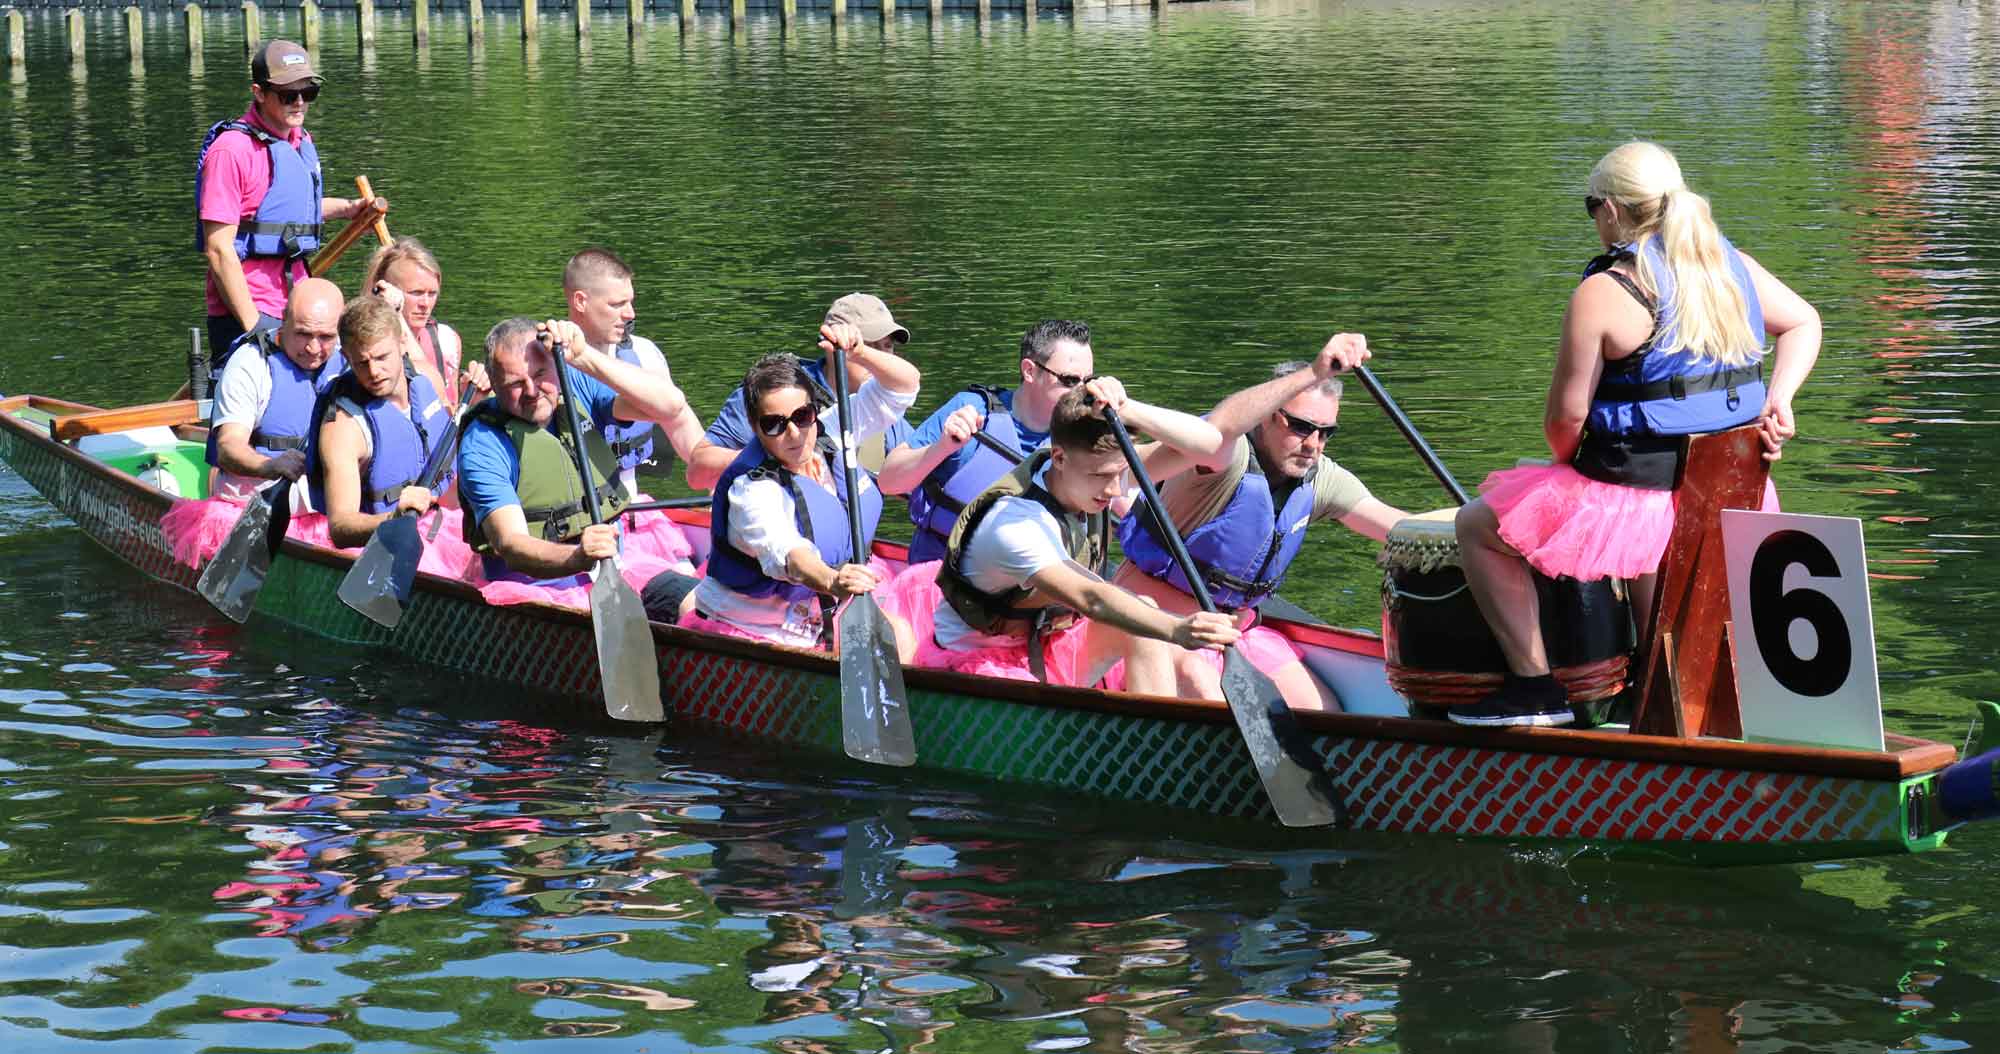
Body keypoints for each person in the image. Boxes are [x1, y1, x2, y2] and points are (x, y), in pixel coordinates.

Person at [1452, 140, 1821, 727]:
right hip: (1738, 492)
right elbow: (1804, 321)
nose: (1593, 219)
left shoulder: (1606, 291)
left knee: (1476, 526)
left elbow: (1564, 423)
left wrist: (1567, 464)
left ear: (1615, 211)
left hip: (1638, 495)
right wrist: (1780, 400)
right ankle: (1663, 700)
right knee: (1664, 605)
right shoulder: (1730, 269)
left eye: (1591, 206)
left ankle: (1535, 688)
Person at [880, 382, 1241, 695]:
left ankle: (1161, 743)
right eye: (1103, 477)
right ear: (1059, 458)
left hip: (1048, 642)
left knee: (1144, 612)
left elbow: (1214, 449)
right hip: (976, 661)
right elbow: (1092, 599)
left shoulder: (1091, 471)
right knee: (1150, 618)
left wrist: (1130, 408)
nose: (1116, 490)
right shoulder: (1014, 525)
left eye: (1122, 474)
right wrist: (1177, 628)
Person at [1112, 335, 1406, 712]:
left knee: (1322, 709)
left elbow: (1397, 526)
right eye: (1300, 427)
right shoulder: (1223, 456)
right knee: (1207, 692)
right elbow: (1221, 425)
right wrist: (1314, 372)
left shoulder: (1320, 479)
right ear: (1267, 416)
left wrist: (1489, 523)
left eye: (1326, 433)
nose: (1313, 444)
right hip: (1156, 616)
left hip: (1235, 627)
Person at [683, 325, 922, 652]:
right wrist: (833, 581)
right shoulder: (752, 491)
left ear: (814, 411)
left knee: (900, 634)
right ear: (755, 427)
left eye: (802, 415)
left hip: (819, 615)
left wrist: (860, 352)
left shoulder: (831, 433)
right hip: (754, 630)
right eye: (774, 424)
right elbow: (789, 554)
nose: (794, 433)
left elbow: (903, 387)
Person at [456, 318, 700, 586]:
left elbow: (671, 405)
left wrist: (583, 356)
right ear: (494, 383)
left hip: (615, 565)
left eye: (540, 374)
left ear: (554, 365)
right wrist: (578, 557)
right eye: (515, 383)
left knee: (689, 602)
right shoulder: (482, 444)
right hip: (537, 587)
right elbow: (511, 545)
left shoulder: (576, 386)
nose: (531, 391)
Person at [197, 40, 387, 368]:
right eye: (289, 94)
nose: (300, 102)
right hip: (249, 312)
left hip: (297, 306)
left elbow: (285, 215)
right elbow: (218, 249)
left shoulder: (299, 140)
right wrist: (254, 325)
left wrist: (347, 209)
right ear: (259, 92)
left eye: (308, 92)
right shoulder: (231, 152)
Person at [876, 319, 1094, 566]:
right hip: (942, 571)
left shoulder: (1083, 431)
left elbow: (1123, 496)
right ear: (1029, 371)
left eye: (1088, 381)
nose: (1081, 392)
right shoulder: (972, 409)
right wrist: (943, 447)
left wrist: (1124, 411)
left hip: (1032, 582)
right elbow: (888, 482)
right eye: (1069, 380)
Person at [685, 293, 912, 492]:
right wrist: (780, 456)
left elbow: (908, 386)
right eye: (868, 346)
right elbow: (698, 471)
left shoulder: (881, 408)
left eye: (888, 347)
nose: (884, 360)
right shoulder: (776, 392)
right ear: (833, 346)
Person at [308, 296, 454, 551]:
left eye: (382, 357)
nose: (374, 371)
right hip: (382, 545)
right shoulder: (343, 428)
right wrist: (393, 519)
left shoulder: (428, 380)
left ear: (402, 344)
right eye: (362, 363)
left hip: (443, 528)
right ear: (346, 357)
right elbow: (341, 528)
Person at [562, 248, 703, 499]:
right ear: (580, 301)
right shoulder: (543, 359)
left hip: (631, 507)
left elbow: (685, 430)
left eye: (630, 302)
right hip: (571, 512)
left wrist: (722, 484)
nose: (630, 314)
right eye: (617, 304)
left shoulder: (644, 352)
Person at [206, 277, 348, 507]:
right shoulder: (250, 363)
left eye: (325, 337)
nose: (313, 348)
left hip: (329, 507)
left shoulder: (352, 358)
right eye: (302, 334)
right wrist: (268, 466)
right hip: (258, 504)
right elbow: (229, 446)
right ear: (284, 319)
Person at [359, 238, 485, 410]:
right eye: (416, 293)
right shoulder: (365, 345)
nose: (425, 304)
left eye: (432, 293)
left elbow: (449, 411)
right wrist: (393, 312)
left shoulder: (447, 340)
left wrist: (472, 397)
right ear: (384, 290)